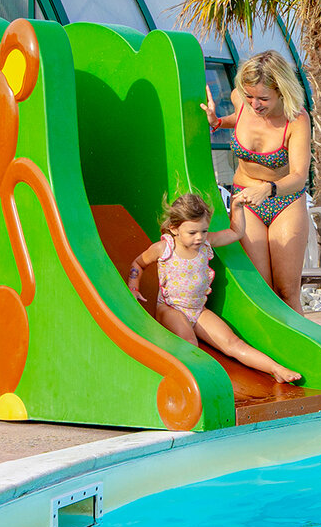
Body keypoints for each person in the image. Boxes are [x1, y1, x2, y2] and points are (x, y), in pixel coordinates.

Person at [128, 192, 301, 384]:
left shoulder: (206, 243)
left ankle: (275, 369)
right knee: (190, 343)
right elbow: (138, 264)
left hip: (198, 311)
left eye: (203, 230)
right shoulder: (164, 248)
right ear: (174, 229)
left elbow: (237, 233)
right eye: (192, 232)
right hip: (170, 308)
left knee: (233, 343)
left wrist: (236, 207)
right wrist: (134, 286)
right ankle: (197, 382)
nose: (199, 237)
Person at [201, 51, 311, 313]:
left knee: (286, 292)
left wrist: (268, 189)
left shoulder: (296, 119)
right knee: (262, 290)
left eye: (263, 98)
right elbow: (240, 120)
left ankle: (298, 352)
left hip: (284, 200)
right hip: (246, 201)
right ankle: (267, 351)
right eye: (250, 96)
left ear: (281, 92)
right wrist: (218, 122)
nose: (255, 104)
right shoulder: (241, 100)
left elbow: (298, 176)